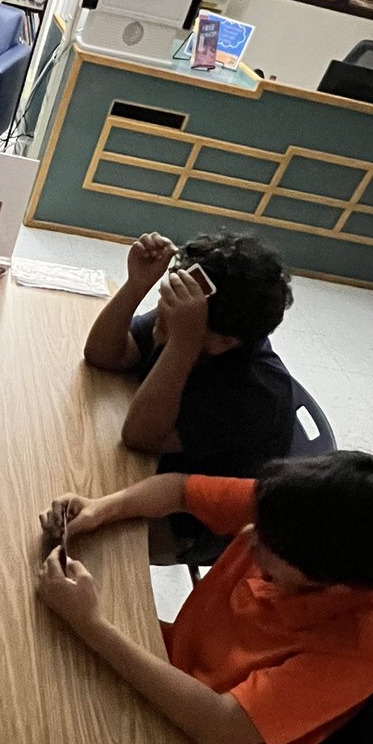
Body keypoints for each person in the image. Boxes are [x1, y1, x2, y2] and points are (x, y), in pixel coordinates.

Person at [38, 451, 373, 744]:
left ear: (331, 582)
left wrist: (90, 623)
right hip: (166, 661)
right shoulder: (297, 510)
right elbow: (179, 491)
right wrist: (101, 509)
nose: (250, 536)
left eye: (267, 546)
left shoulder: (363, 644)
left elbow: (216, 728)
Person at [84, 231, 294, 561]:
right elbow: (104, 355)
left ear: (222, 342)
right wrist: (137, 285)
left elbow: (140, 436)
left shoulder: (255, 394)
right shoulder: (191, 317)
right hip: (153, 475)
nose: (162, 310)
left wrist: (182, 342)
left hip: (191, 525)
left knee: (76, 535)